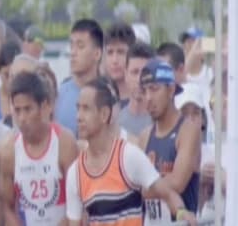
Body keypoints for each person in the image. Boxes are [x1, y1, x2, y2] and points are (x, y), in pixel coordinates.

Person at [64, 78, 196, 226]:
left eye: (86, 109)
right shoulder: (75, 173)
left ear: (104, 114)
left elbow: (168, 194)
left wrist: (182, 213)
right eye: (78, 108)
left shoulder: (128, 156)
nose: (79, 117)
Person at [0, 71, 76, 226]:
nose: (22, 118)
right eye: (17, 110)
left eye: (28, 109)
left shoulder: (65, 143)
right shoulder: (8, 152)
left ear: (44, 106)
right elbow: (7, 207)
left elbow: (75, 203)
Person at [138, 59, 201, 224]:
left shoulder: (188, 130)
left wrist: (145, 189)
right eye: (144, 91)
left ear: (171, 89)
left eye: (154, 89)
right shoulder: (145, 135)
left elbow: (177, 183)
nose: (148, 98)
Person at [55, 19, 103, 137]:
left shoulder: (107, 95)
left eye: (80, 46)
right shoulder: (59, 95)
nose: (73, 53)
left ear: (97, 54)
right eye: (71, 46)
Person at [118, 43, 155, 139]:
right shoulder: (116, 123)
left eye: (145, 73)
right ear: (126, 74)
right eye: (135, 72)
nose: (139, 79)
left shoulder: (161, 122)